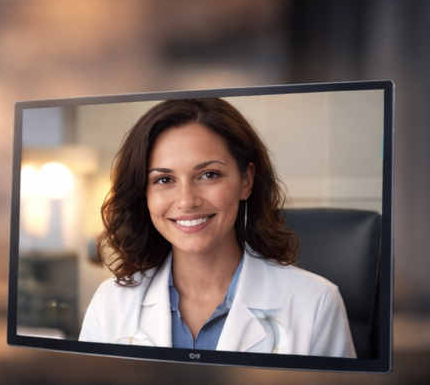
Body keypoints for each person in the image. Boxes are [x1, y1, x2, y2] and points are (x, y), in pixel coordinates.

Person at [78, 98, 355, 357]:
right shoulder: (110, 302)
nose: (187, 201)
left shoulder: (316, 303)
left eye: (209, 175)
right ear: (144, 193)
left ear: (246, 181)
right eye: (164, 180)